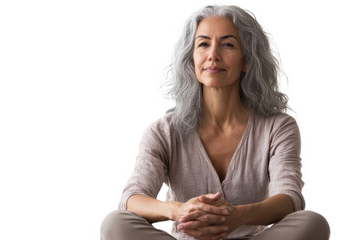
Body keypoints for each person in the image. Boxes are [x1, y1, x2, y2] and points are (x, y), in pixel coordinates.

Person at [101, 5, 330, 240]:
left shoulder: (278, 127)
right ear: (191, 59)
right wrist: (178, 211)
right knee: (115, 223)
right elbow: (131, 199)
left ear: (247, 60)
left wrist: (236, 216)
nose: (213, 55)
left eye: (228, 44)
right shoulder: (163, 131)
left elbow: (290, 199)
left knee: (312, 222)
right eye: (203, 44)